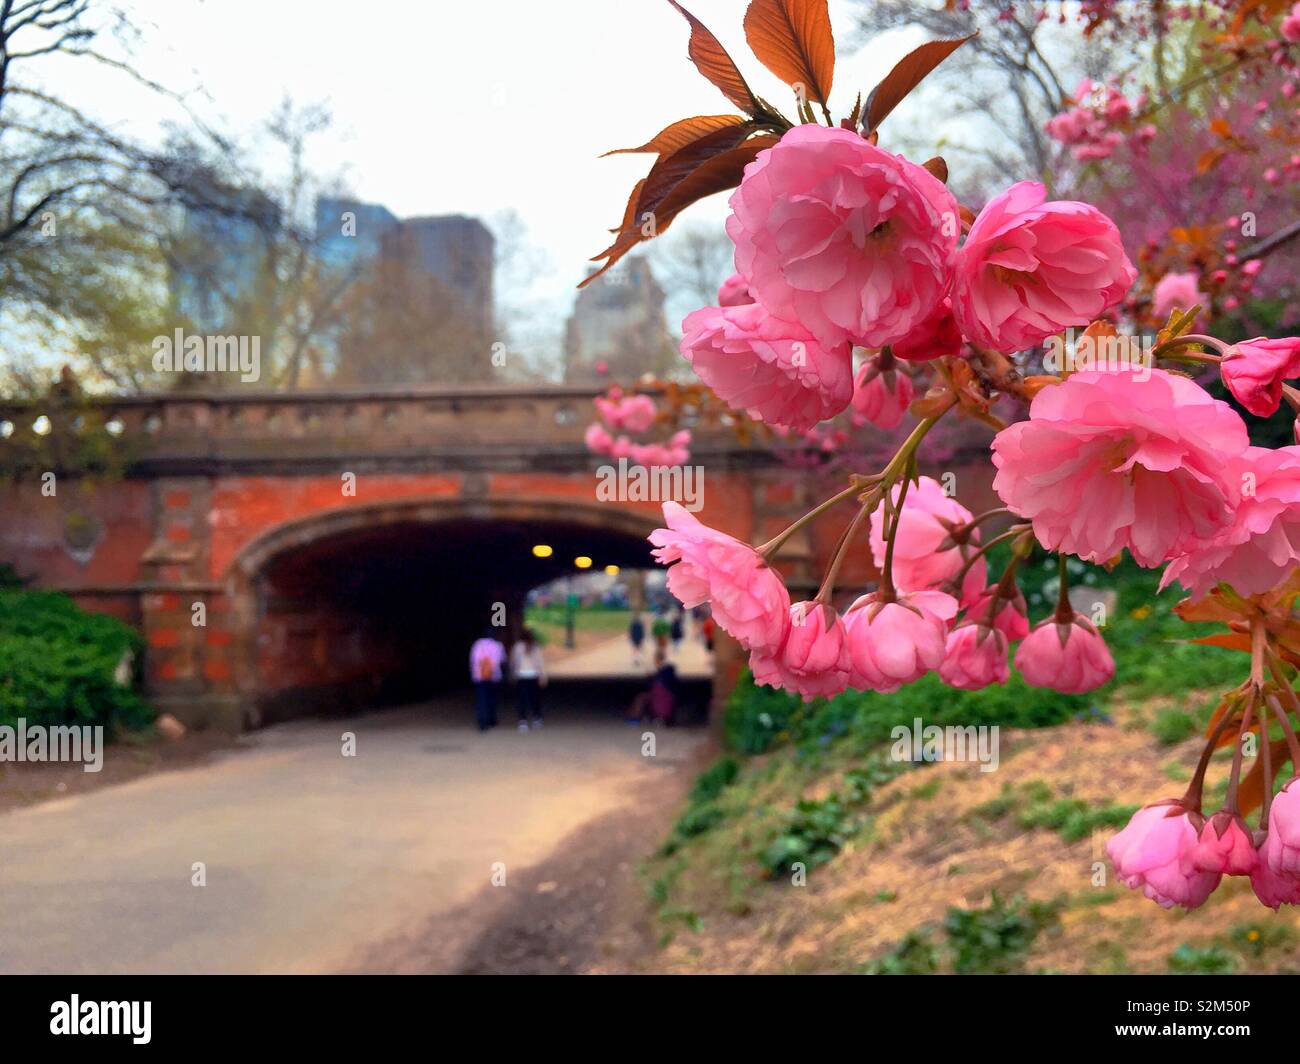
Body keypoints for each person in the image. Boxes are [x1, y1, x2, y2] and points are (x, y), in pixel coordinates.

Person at [626, 650, 679, 725]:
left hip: (663, 696)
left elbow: (656, 682)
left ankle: (635, 718)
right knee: (642, 698)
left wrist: (651, 676)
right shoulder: (667, 668)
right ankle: (636, 717)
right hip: (661, 695)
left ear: (658, 659)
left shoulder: (666, 669)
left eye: (655, 659)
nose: (655, 661)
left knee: (641, 698)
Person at [469, 627, 506, 732]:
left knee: (481, 699)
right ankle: (491, 719)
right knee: (492, 698)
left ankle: (482, 721)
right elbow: (502, 660)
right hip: (493, 676)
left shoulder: (477, 645)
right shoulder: (498, 645)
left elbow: (473, 660)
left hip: (479, 676)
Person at [510, 628, 547, 731]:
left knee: (522, 699)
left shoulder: (517, 647)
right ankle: (536, 719)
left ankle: (522, 722)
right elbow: (540, 663)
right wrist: (543, 676)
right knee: (535, 698)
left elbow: (513, 662)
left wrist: (513, 673)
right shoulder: (536, 647)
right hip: (533, 676)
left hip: (521, 676)